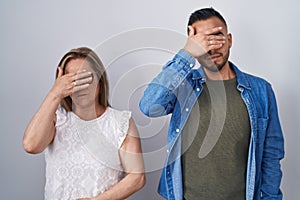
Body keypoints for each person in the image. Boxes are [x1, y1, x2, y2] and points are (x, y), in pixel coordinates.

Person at [139, 7, 284, 200]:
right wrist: (186, 54)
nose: (212, 47)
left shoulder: (260, 90)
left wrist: (271, 197)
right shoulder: (183, 86)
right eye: (204, 41)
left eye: (217, 37)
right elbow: (149, 106)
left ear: (230, 40)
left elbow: (271, 153)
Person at [23, 47, 145, 200]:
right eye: (72, 79)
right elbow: (31, 145)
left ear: (99, 80)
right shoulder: (56, 119)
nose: (81, 85)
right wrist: (54, 94)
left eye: (86, 77)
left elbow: (137, 177)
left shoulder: (119, 123)